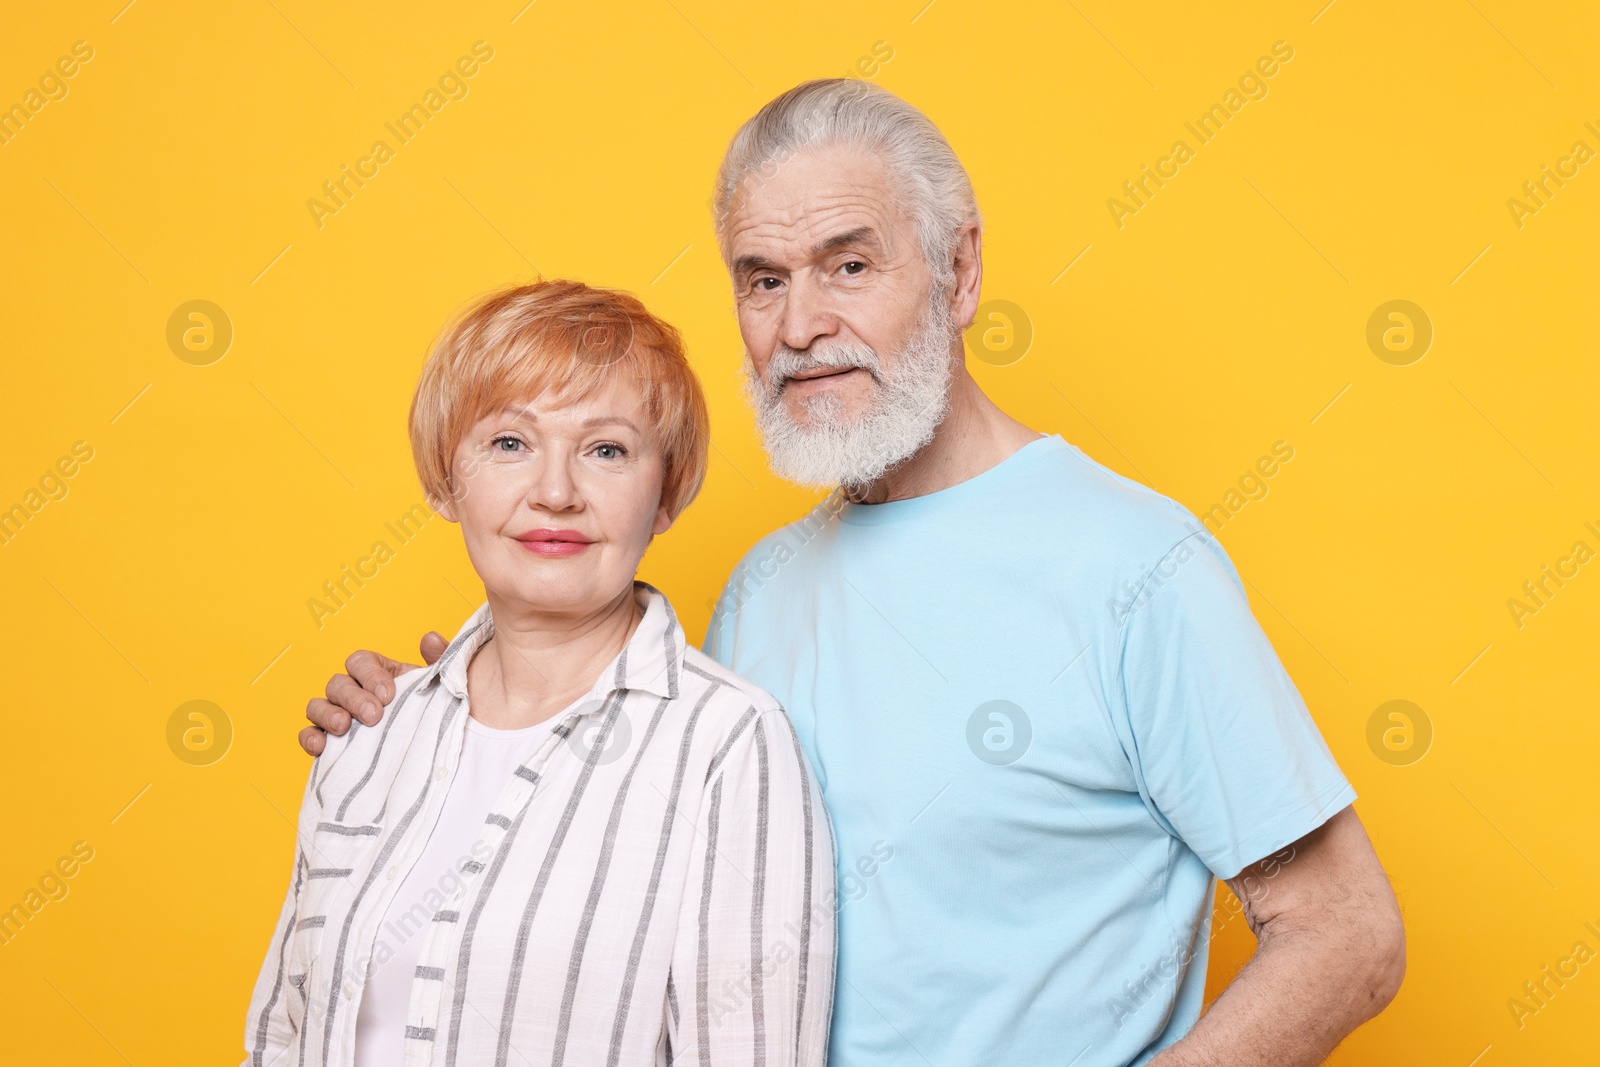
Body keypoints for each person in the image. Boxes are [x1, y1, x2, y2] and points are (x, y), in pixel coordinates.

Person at [302, 82, 1406, 1067]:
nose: (802, 326)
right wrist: (438, 719)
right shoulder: (759, 585)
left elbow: (1346, 932)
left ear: (960, 270)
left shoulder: (1134, 565)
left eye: (849, 264)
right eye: (763, 278)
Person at [246, 280, 835, 1067]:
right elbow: (280, 1040)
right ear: (444, 479)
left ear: (664, 494)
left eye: (606, 450)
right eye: (510, 443)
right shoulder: (366, 734)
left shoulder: (727, 746)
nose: (555, 492)